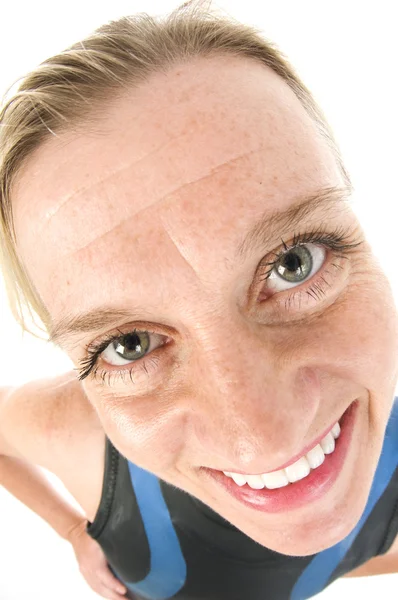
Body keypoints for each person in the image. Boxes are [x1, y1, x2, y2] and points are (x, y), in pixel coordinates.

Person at [0, 2, 398, 599]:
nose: (262, 436)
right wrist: (69, 530)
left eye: (293, 263)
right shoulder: (74, 435)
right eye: (129, 345)